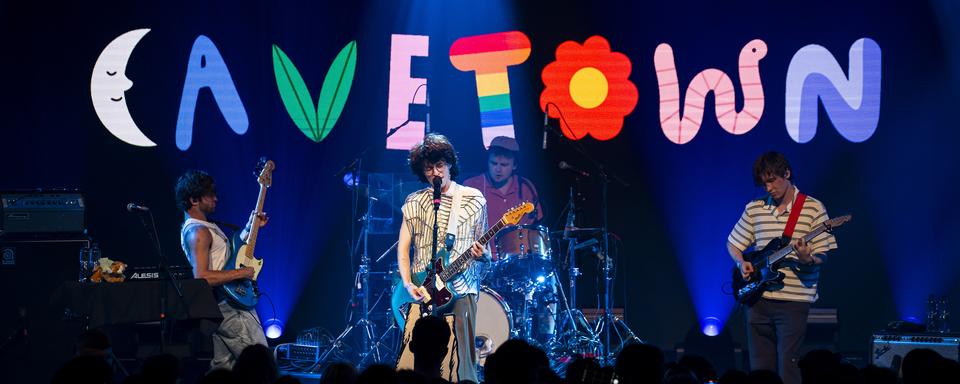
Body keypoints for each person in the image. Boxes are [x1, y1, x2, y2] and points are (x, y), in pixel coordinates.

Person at [726, 152, 838, 384]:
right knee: (760, 368)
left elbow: (822, 255)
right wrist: (741, 262)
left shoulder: (813, 208)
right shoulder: (755, 208)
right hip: (757, 298)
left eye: (772, 180)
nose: (768, 188)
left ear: (786, 174)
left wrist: (807, 258)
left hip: (794, 302)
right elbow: (733, 243)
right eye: (764, 183)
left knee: (789, 365)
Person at [398, 133, 490, 383]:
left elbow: (487, 252)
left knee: (461, 355)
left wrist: (482, 256)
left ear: (449, 164)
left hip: (462, 287)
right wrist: (408, 284)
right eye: (429, 168)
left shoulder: (474, 199)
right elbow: (403, 248)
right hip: (423, 288)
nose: (435, 172)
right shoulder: (414, 202)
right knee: (419, 354)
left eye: (440, 165)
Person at [176, 169, 269, 370]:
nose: (216, 199)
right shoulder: (197, 232)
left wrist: (250, 228)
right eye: (210, 195)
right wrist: (242, 273)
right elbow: (201, 277)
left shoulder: (205, 226)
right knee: (261, 366)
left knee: (224, 368)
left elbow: (228, 258)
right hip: (230, 308)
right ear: (194, 200)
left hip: (226, 306)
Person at [463, 135, 543, 231]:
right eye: (493, 163)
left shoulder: (526, 187)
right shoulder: (472, 186)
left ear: (515, 165)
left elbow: (536, 226)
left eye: (504, 165)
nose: (498, 169)